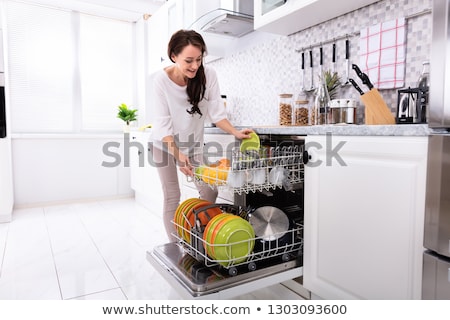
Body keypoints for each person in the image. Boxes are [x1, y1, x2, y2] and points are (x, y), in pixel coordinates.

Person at [150, 29, 253, 242]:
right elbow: (163, 125)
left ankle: (202, 239)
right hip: (164, 144)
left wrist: (236, 132)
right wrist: (178, 156)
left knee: (209, 191)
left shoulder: (208, 75)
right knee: (172, 197)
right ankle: (177, 247)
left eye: (199, 59)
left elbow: (217, 114)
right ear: (174, 56)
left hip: (193, 145)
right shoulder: (161, 81)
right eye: (189, 60)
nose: (195, 66)